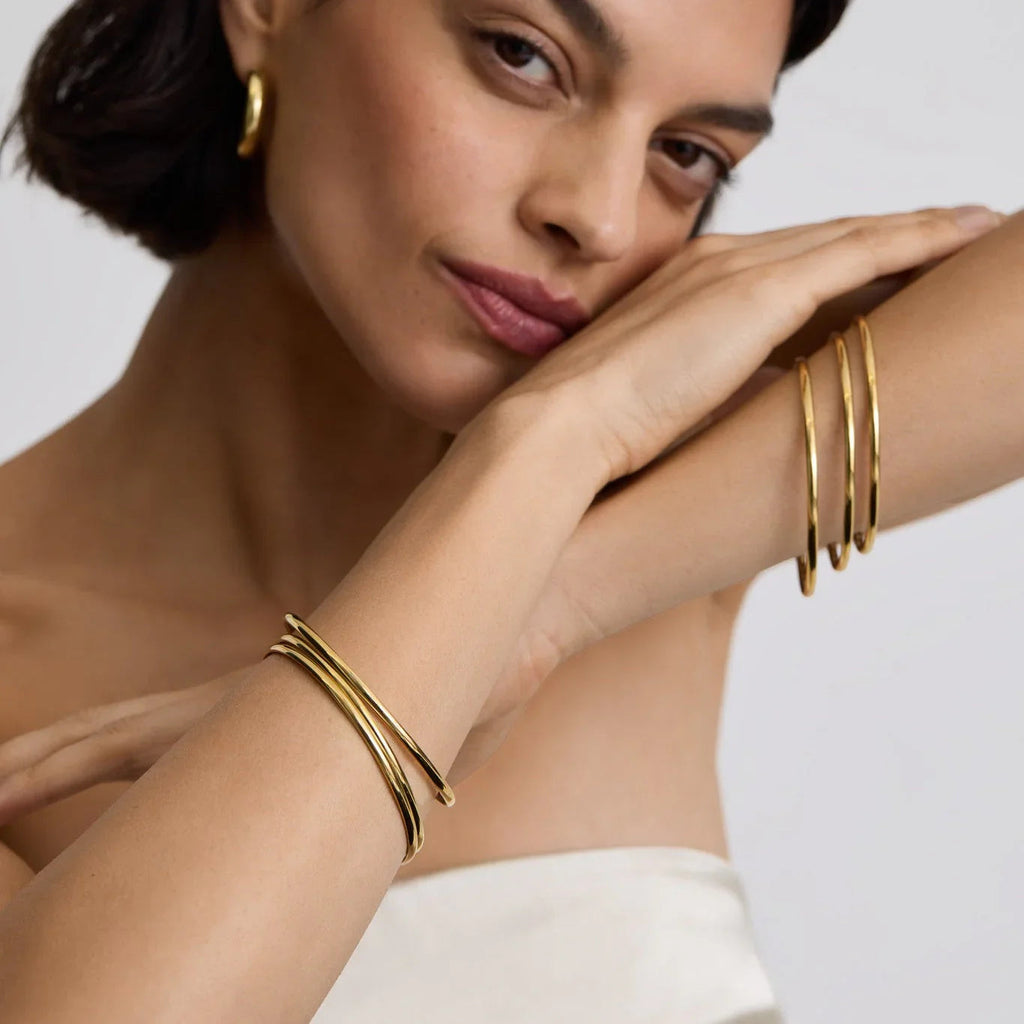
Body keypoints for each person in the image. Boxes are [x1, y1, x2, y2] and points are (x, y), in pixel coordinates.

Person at [0, 0, 1019, 1021]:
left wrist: (535, 607)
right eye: (523, 57)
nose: (602, 217)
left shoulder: (662, 512)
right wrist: (549, 443)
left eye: (687, 152)